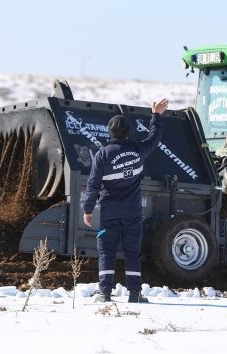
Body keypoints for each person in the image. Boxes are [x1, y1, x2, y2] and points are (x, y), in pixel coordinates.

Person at [81, 98, 170, 303]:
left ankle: (104, 293)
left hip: (108, 214)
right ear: (128, 132)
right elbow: (154, 138)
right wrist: (156, 116)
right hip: (132, 213)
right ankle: (134, 294)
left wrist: (88, 209)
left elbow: (93, 184)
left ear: (110, 132)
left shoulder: (102, 155)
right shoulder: (138, 151)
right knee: (132, 252)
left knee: (106, 251)